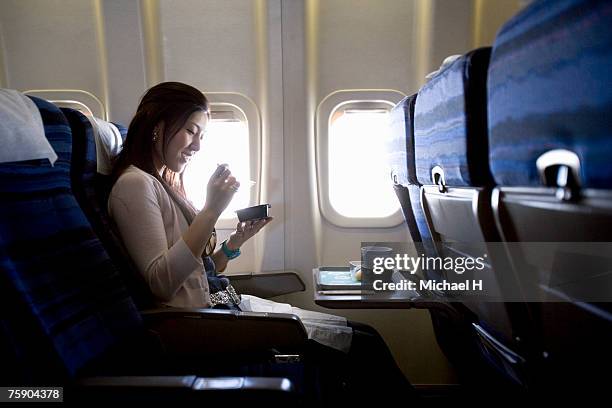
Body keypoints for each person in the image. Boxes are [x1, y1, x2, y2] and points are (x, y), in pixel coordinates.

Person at [108, 81, 415, 404]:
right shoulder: (135, 185)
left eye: (202, 136)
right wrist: (212, 209)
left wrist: (235, 243)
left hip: (220, 309)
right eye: (190, 131)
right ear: (158, 126)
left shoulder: (165, 182)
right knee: (363, 346)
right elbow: (162, 282)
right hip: (197, 326)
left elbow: (199, 270)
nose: (197, 145)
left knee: (365, 335)